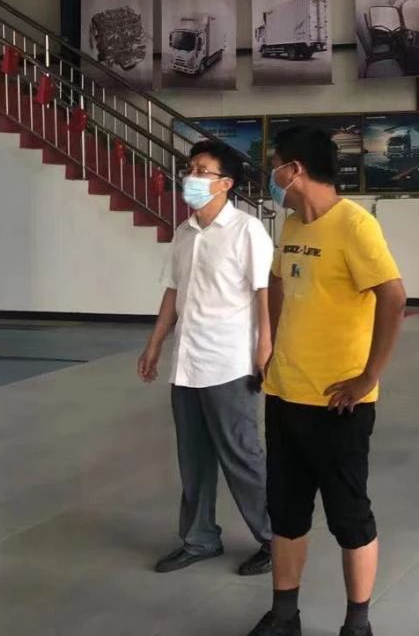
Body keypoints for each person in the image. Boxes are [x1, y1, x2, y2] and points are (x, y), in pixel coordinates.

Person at [246, 127, 408, 636]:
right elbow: (277, 280)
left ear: (294, 170)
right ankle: (284, 614)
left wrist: (368, 377)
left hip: (340, 403)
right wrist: (272, 346)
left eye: (275, 164)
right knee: (286, 512)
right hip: (285, 393)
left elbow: (394, 297)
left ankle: (357, 622)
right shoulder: (292, 223)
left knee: (349, 516)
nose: (272, 175)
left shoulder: (355, 225)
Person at [138, 139, 274, 577]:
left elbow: (264, 293)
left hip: (229, 362)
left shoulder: (247, 230)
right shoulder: (184, 231)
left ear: (226, 183)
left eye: (202, 171)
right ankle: (199, 539)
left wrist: (265, 347)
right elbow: (173, 292)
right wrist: (155, 343)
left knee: (241, 455)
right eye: (190, 168)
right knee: (193, 459)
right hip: (188, 362)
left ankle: (274, 538)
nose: (191, 177)